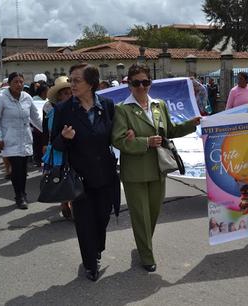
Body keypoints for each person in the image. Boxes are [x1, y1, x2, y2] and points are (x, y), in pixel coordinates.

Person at [111, 63, 201, 272]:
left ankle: (143, 244)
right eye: (136, 83)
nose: (141, 87)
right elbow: (118, 140)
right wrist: (145, 142)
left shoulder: (159, 105)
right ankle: (146, 255)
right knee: (140, 215)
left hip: (158, 168)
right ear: (129, 85)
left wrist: (191, 124)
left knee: (152, 213)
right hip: (134, 171)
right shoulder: (122, 110)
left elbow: (170, 130)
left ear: (150, 83)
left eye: (145, 82)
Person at [51, 63, 119, 282]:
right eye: (70, 80)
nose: (72, 84)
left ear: (91, 83)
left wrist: (126, 137)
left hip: (106, 174)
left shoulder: (107, 106)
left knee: (102, 217)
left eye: (76, 80)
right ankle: (90, 263)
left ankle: (96, 248)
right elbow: (55, 144)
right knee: (84, 222)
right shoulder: (63, 110)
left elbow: (113, 136)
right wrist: (64, 138)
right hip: (79, 178)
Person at [0, 72, 43, 209]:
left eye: (21, 82)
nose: (19, 85)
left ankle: (22, 193)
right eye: (15, 82)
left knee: (23, 169)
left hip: (25, 138)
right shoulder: (1, 98)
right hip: (9, 139)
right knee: (17, 168)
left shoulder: (27, 97)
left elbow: (35, 117)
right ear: (9, 84)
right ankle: (19, 196)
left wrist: (47, 131)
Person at [42, 76, 73, 220]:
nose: (69, 95)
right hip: (58, 148)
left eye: (70, 92)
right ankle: (64, 202)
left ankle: (71, 201)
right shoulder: (52, 113)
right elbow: (47, 131)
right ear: (59, 96)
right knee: (60, 174)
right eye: (65, 93)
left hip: (71, 147)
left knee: (72, 175)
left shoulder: (76, 109)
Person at [32, 81, 49, 167]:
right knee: (37, 145)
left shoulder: (47, 101)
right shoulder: (33, 100)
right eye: (47, 91)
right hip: (36, 128)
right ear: (43, 92)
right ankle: (37, 159)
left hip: (45, 127)